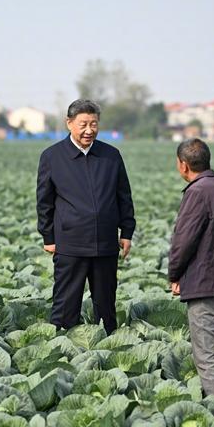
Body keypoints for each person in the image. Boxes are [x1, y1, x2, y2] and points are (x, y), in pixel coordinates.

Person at [36, 99, 135, 334]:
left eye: (94, 124)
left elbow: (124, 196)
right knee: (65, 305)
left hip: (105, 243)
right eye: (83, 124)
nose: (89, 130)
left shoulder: (111, 155)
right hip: (70, 243)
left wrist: (127, 231)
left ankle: (108, 343)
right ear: (69, 123)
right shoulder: (52, 156)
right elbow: (44, 201)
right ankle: (62, 345)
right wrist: (48, 237)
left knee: (106, 305)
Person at [169, 138, 214, 397]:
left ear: (183, 165)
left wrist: (174, 274)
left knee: (207, 357)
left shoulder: (197, 192)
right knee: (213, 352)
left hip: (204, 285)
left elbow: (183, 241)